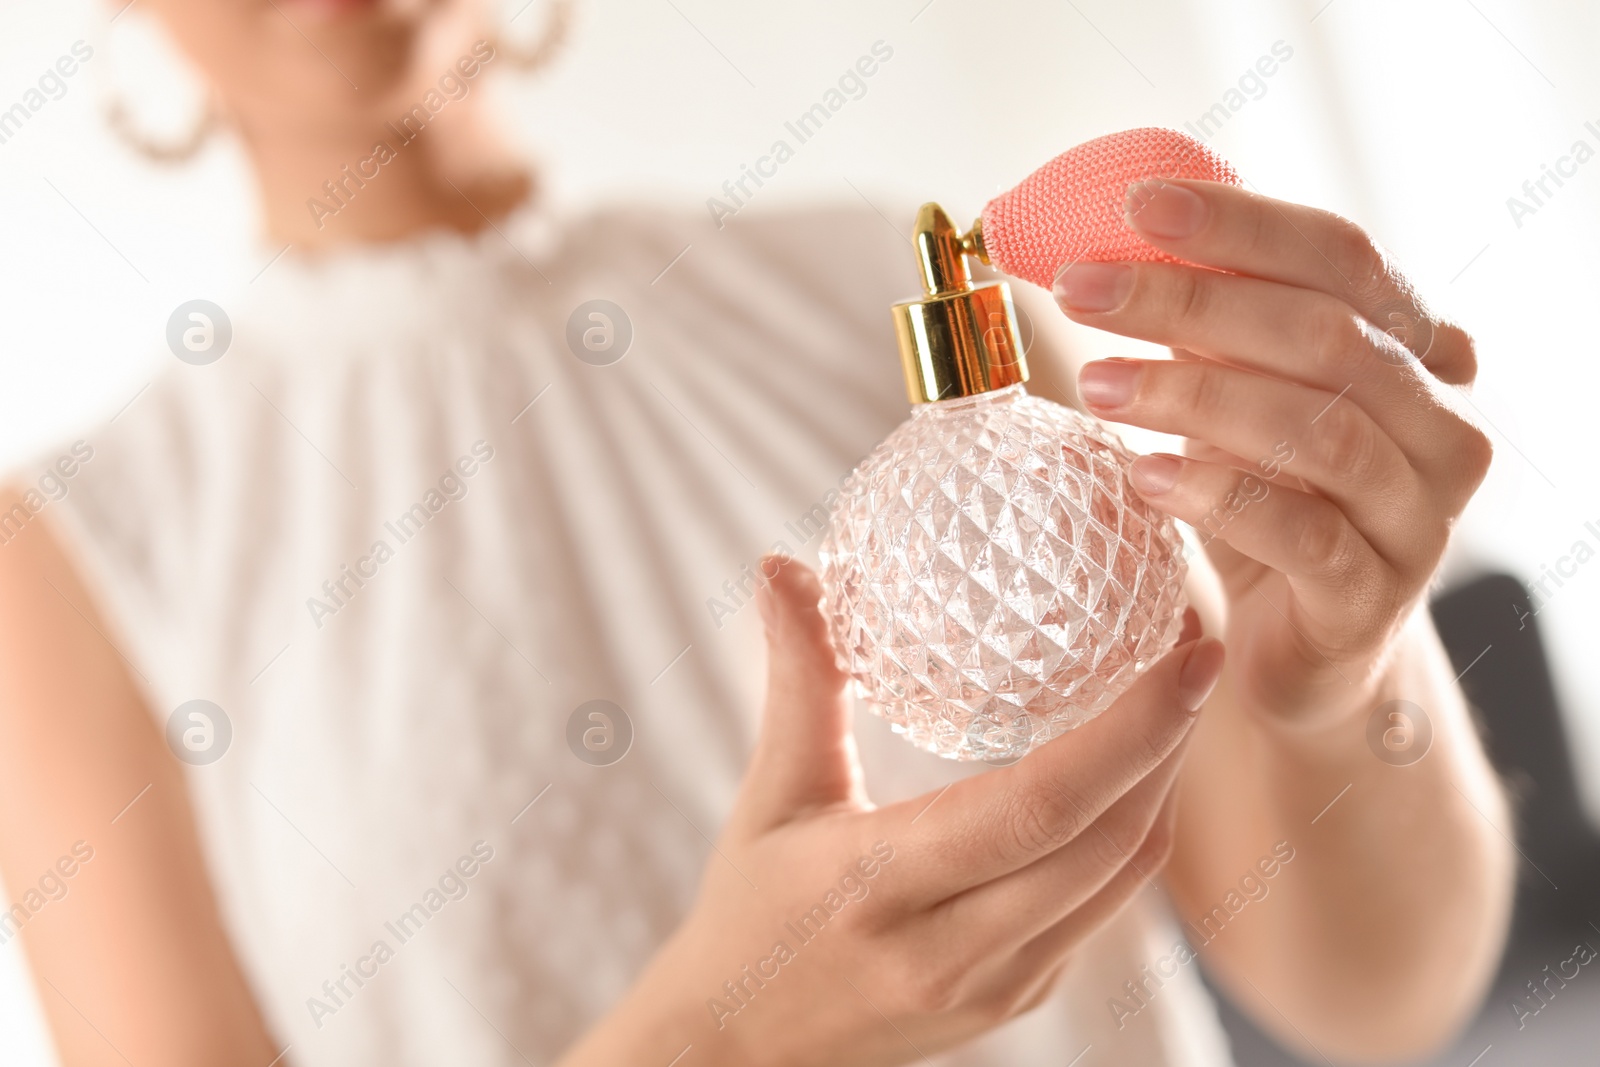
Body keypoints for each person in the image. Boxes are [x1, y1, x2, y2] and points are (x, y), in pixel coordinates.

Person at [0, 1, 1513, 1064]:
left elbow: (1383, 1000)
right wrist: (719, 1043)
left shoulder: (894, 293)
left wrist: (1337, 689)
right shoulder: (84, 550)